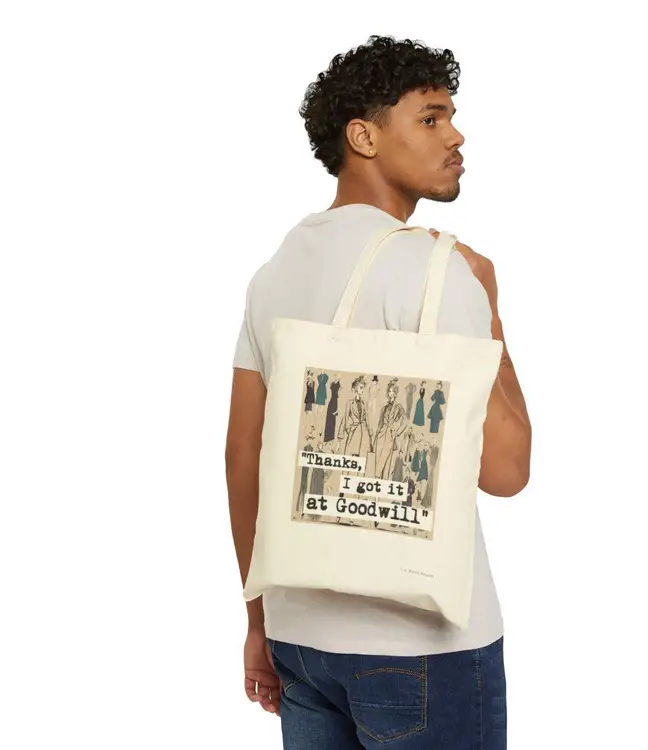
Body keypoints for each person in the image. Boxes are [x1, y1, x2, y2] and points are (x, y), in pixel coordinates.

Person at [225, 34, 532, 749]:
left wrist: (258, 621)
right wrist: (489, 309)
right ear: (363, 137)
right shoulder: (439, 270)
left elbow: (243, 455)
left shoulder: (273, 274)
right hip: (423, 646)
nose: (455, 136)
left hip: (299, 638)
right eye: (430, 118)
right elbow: (507, 470)